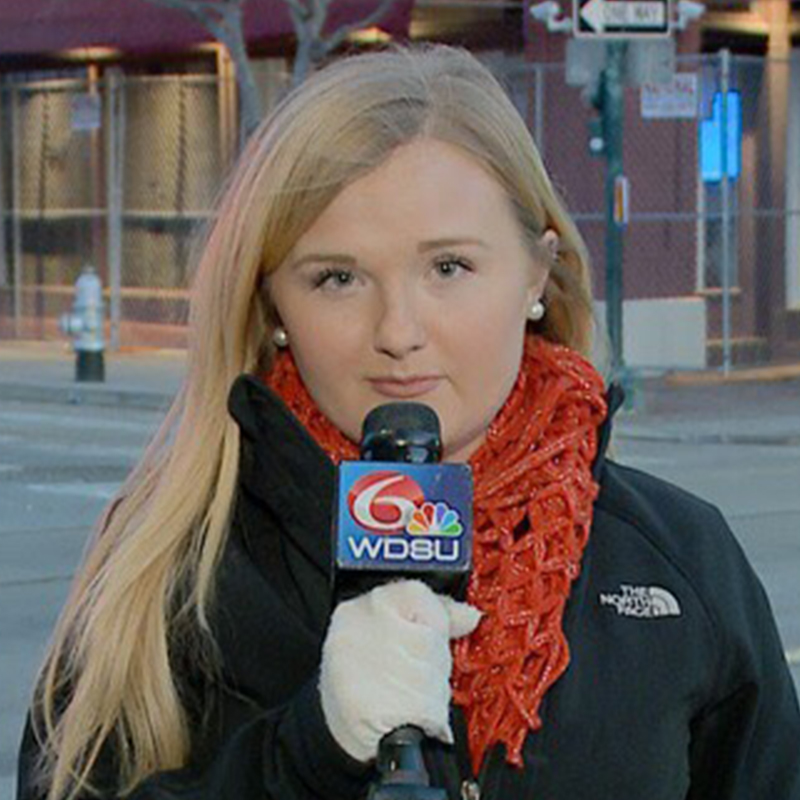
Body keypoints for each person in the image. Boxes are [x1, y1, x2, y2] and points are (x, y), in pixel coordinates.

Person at [17, 42, 800, 800]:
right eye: (338, 277)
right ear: (272, 305)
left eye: (448, 267)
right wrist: (306, 757)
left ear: (537, 272)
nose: (398, 329)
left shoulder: (678, 561)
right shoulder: (165, 567)